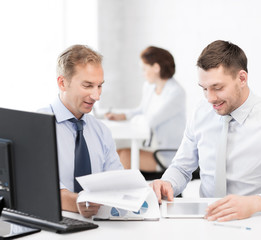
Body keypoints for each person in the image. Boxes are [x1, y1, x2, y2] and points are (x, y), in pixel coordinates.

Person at [151, 40, 261, 222]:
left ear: (242, 79)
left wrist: (256, 203)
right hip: (206, 221)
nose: (210, 98)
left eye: (217, 88)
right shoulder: (201, 112)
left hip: (256, 222)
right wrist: (168, 183)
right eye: (204, 89)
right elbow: (181, 168)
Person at [39, 45, 123, 218]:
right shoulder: (35, 126)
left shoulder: (101, 131)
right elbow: (37, 187)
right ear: (62, 83)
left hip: (94, 227)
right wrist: (77, 202)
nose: (96, 96)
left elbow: (117, 182)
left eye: (99, 86)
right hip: (47, 226)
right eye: (88, 85)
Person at [106, 46, 186, 172]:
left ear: (156, 68)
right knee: (116, 154)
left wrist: (136, 119)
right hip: (151, 148)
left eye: (144, 69)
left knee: (125, 157)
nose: (142, 73)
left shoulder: (176, 93)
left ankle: (125, 191)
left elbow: (151, 120)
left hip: (167, 155)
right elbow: (141, 111)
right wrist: (122, 116)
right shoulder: (149, 87)